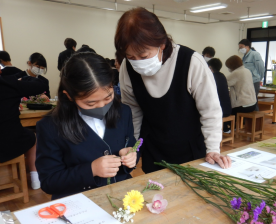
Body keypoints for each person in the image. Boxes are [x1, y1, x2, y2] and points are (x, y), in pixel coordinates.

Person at [115, 7, 231, 174]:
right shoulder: (127, 67)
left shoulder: (191, 62)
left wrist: (213, 149)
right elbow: (133, 111)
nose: (137, 62)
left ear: (162, 44)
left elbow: (210, 111)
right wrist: (132, 147)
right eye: (131, 57)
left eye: (144, 56)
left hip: (191, 149)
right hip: (153, 149)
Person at [35, 53, 139, 200]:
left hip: (122, 195)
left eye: (108, 97)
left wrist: (132, 155)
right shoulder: (51, 127)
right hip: (79, 201)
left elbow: (132, 143)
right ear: (69, 96)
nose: (102, 106)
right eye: (91, 103)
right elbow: (49, 182)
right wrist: (91, 170)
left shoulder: (123, 112)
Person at [0, 75, 48, 189]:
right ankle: (36, 180)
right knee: (33, 138)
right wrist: (25, 78)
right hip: (10, 144)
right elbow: (41, 85)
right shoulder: (8, 84)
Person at [238, 39, 265, 110]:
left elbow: (261, 68)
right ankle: (248, 119)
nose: (240, 49)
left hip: (254, 81)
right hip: (247, 82)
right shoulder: (244, 57)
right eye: (239, 48)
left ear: (247, 46)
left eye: (241, 47)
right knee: (248, 101)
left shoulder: (255, 54)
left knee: (253, 101)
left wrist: (259, 78)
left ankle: (256, 118)